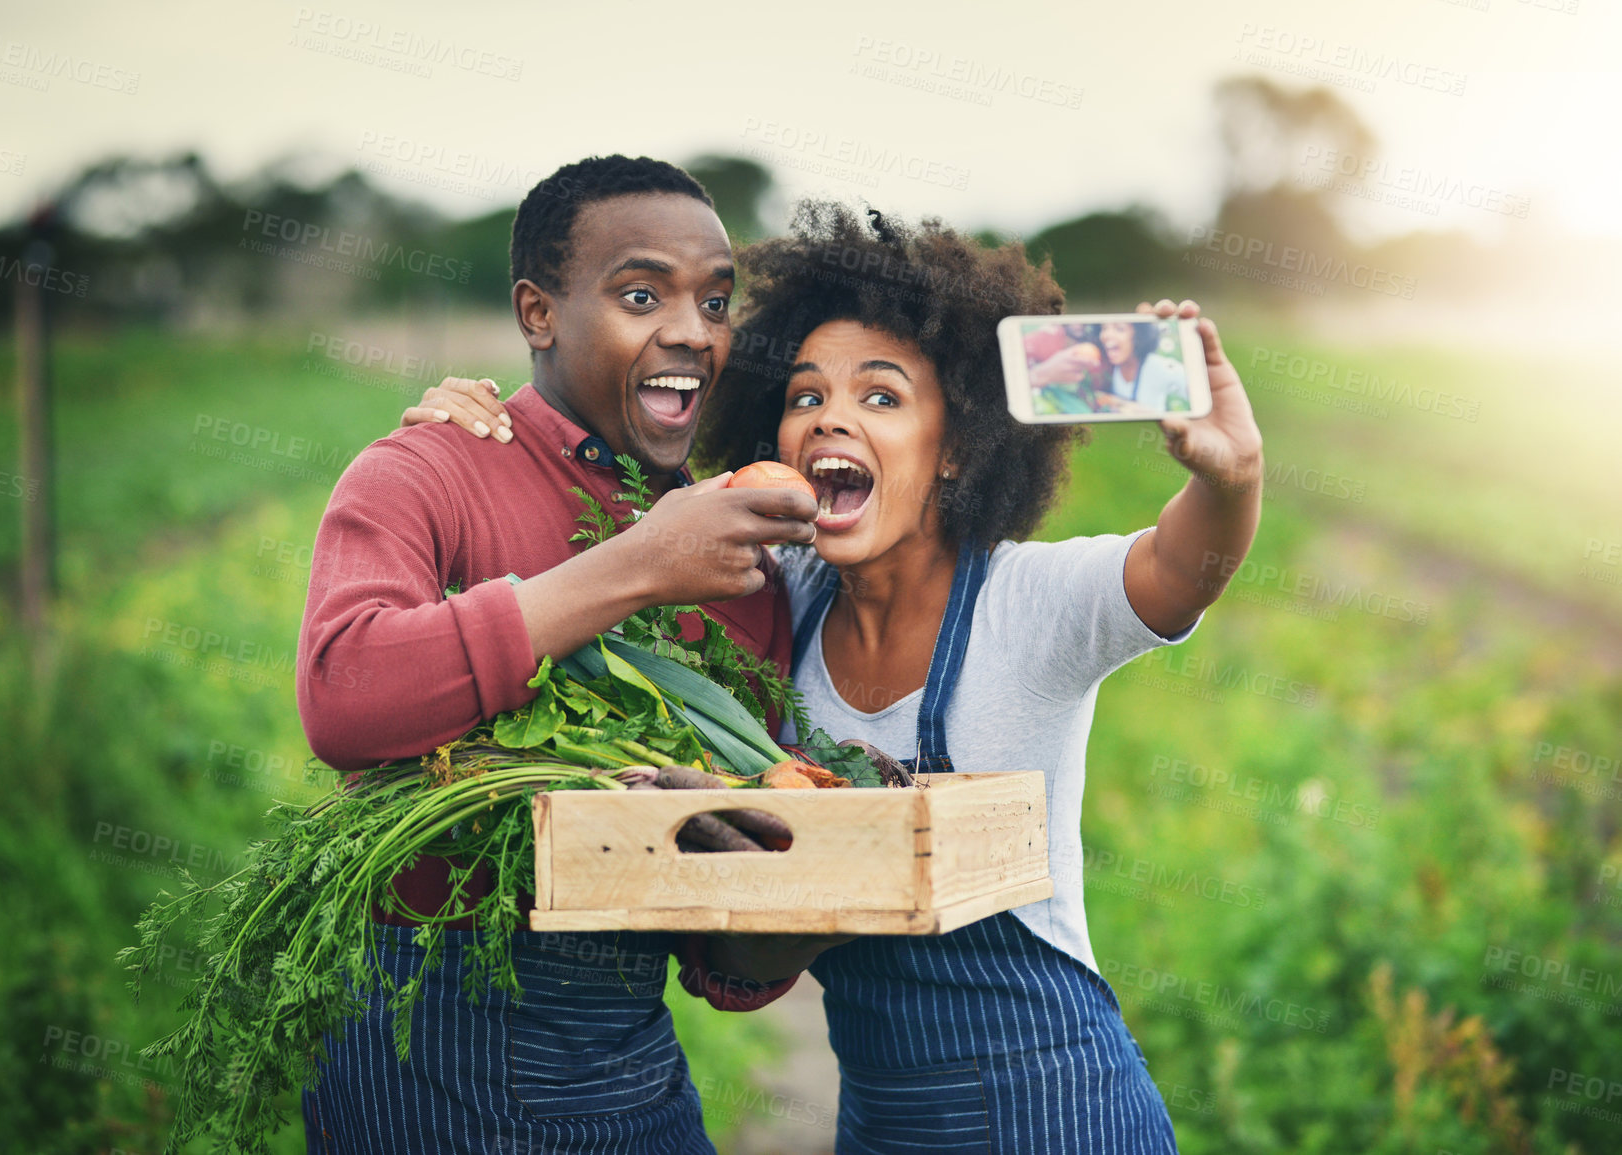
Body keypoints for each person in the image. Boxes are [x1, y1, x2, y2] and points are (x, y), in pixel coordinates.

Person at [408, 201, 1264, 1153]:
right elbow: (628, 526)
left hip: (1056, 1106)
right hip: (879, 1122)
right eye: (806, 396)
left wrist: (1229, 479)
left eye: (882, 397)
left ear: (958, 449)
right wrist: (489, 425)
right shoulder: (783, 596)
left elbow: (1180, 573)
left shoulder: (1028, 601)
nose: (831, 419)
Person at [297, 155, 836, 1154]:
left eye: (716, 300)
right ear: (538, 313)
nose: (691, 330)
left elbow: (725, 963)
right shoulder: (427, 470)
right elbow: (344, 698)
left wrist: (807, 900)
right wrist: (635, 566)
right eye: (643, 294)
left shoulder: (730, 552)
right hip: (422, 1040)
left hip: (624, 1051)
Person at [1099, 319, 1190, 412]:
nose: (1106, 335)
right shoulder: (1107, 366)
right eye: (1104, 328)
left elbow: (1198, 392)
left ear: (1138, 335)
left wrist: (1119, 403)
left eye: (1120, 329)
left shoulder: (1158, 366)